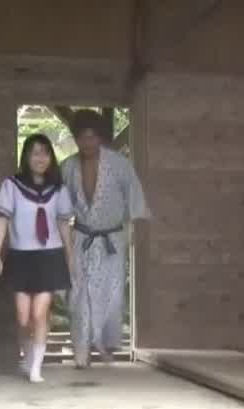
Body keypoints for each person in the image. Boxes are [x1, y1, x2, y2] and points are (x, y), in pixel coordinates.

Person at [61, 109, 151, 368]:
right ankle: (81, 351)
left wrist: (134, 234)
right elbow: (60, 207)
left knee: (109, 297)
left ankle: (104, 345)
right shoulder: (67, 167)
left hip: (111, 239)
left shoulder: (119, 165)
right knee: (79, 295)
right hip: (82, 236)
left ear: (100, 137)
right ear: (76, 139)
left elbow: (135, 200)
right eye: (82, 138)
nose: (87, 143)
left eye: (92, 137)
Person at [0, 134, 75, 383]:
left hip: (50, 257)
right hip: (20, 258)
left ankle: (36, 368)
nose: (41, 158)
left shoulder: (58, 189)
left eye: (45, 153)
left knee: (39, 314)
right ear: (26, 156)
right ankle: (27, 357)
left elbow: (64, 225)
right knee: (23, 318)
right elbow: (2, 222)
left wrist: (70, 258)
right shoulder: (11, 186)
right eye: (35, 153)